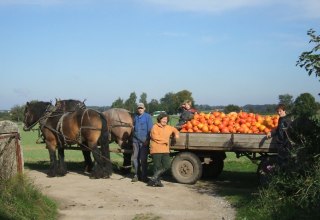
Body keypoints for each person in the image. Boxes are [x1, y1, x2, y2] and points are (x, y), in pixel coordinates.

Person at [147, 113, 180, 187]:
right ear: (160, 119)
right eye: (163, 119)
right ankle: (157, 181)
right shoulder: (155, 127)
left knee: (167, 165)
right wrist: (165, 141)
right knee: (157, 166)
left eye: (166, 119)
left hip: (165, 150)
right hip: (156, 149)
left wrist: (176, 135)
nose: (165, 120)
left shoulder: (169, 127)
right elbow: (155, 137)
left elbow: (175, 130)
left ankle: (154, 177)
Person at [131, 103, 153, 182]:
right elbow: (132, 127)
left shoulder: (148, 117)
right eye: (139, 108)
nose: (140, 109)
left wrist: (147, 140)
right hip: (135, 141)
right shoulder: (135, 117)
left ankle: (144, 176)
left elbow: (150, 130)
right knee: (134, 158)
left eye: (141, 108)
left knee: (143, 159)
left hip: (144, 142)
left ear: (144, 108)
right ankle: (136, 175)